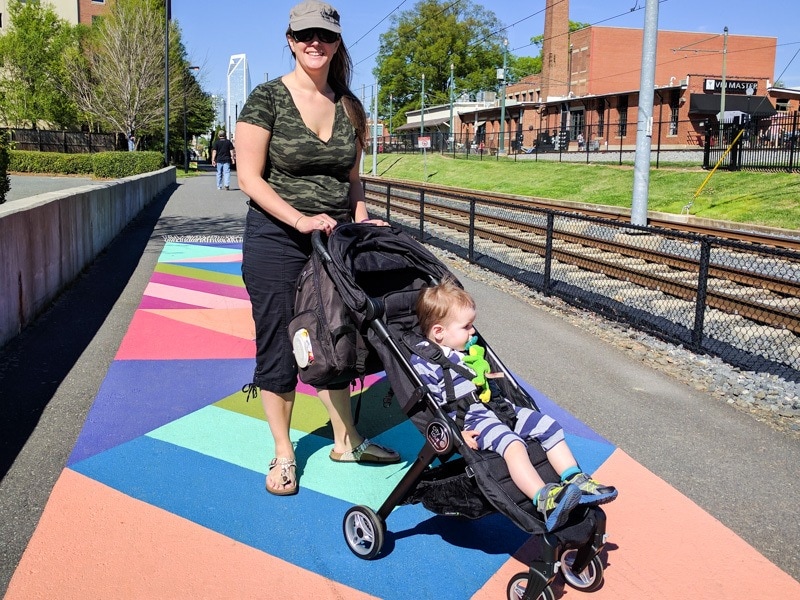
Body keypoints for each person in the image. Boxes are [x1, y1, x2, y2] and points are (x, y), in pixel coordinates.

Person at [235, 0, 399, 497]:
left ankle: (347, 439)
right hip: (276, 240)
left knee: (337, 340)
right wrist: (300, 218)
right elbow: (248, 178)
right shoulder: (267, 98)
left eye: (324, 36)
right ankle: (284, 454)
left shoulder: (350, 106)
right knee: (281, 346)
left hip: (333, 244)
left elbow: (353, 185)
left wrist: (364, 219)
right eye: (304, 34)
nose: (314, 43)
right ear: (290, 40)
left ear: (336, 43)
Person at [411, 278, 617, 531]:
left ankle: (575, 478)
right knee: (513, 445)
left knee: (548, 426)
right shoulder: (426, 361)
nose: (473, 332)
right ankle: (543, 497)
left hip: (497, 407)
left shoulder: (466, 349)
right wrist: (456, 434)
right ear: (439, 332)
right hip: (471, 419)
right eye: (467, 327)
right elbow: (432, 407)